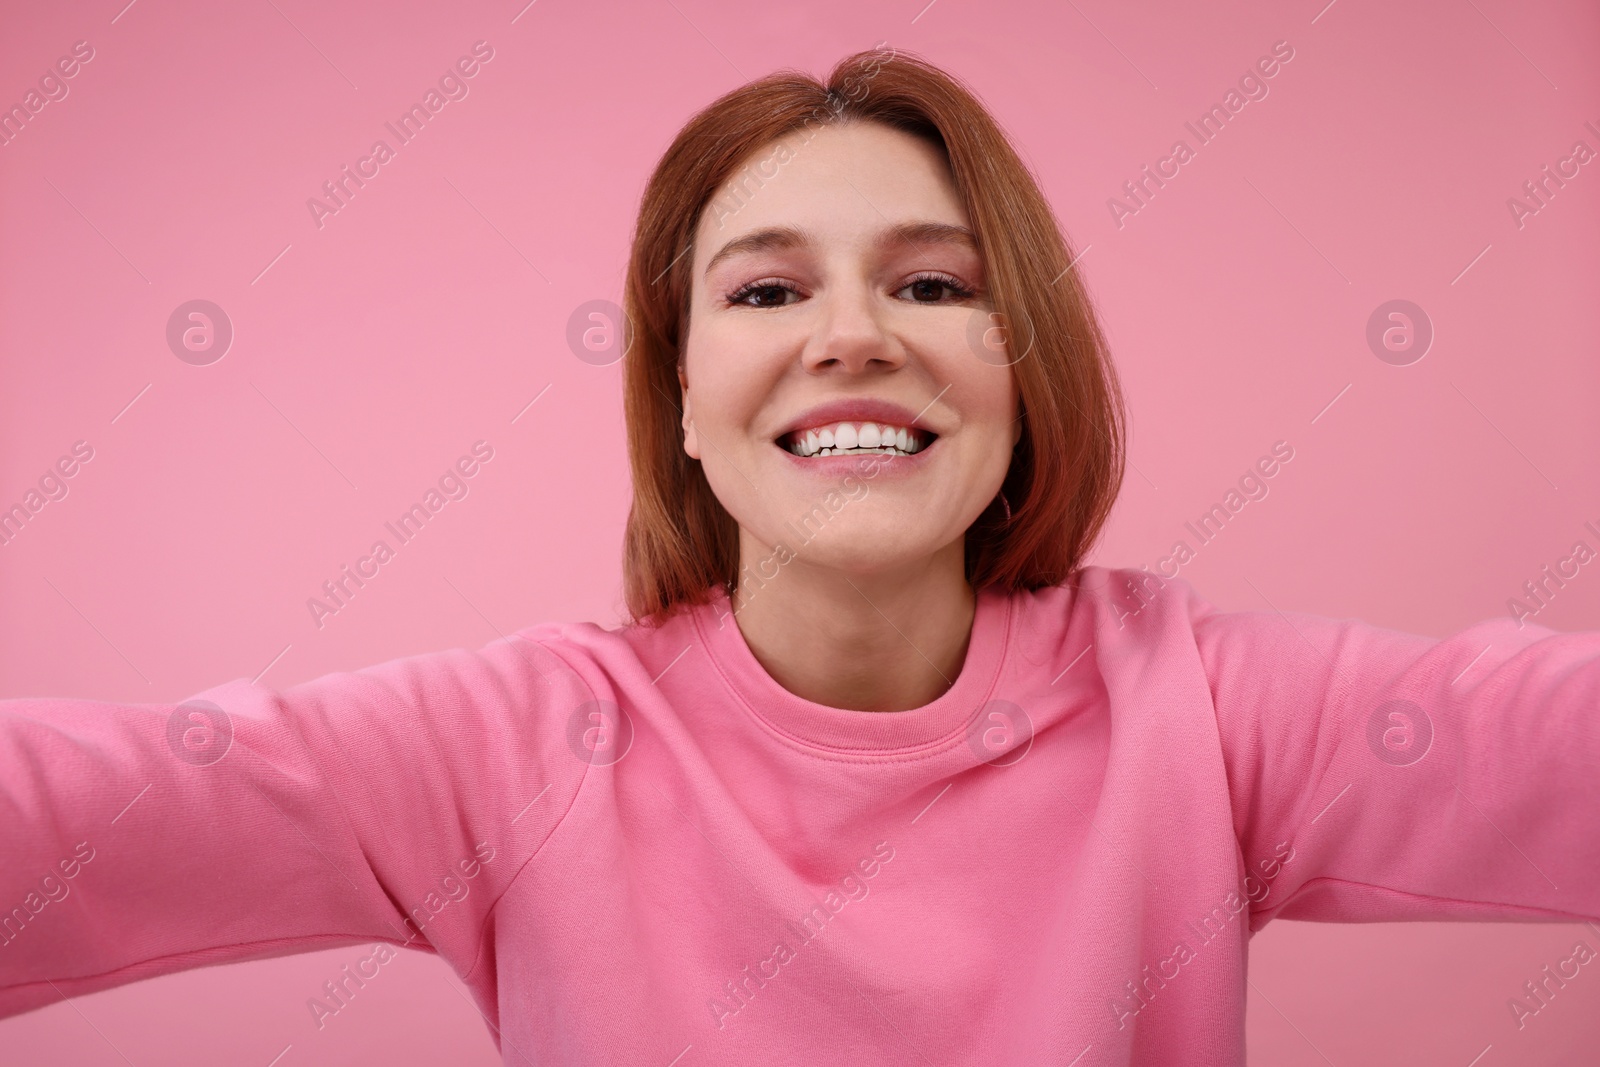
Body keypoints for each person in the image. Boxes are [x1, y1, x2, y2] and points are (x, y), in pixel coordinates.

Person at [2, 46, 1597, 1066]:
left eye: (930, 285)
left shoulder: (1202, 711)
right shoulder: (515, 752)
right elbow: (93, 817)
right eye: (766, 295)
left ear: (1016, 367)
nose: (851, 337)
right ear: (684, 400)